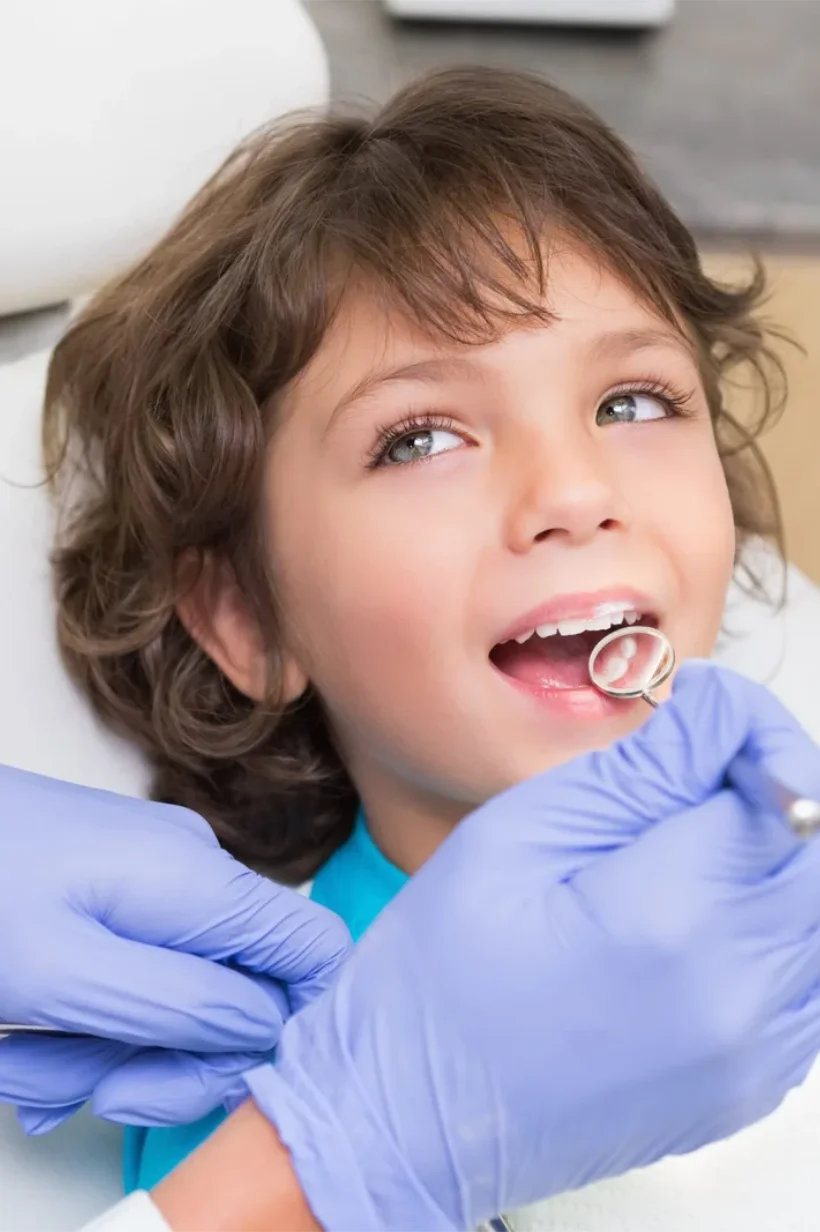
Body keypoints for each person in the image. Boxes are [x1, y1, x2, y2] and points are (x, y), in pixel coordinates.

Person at [2, 62, 817, 1229]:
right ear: (248, 617)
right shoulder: (273, 1073)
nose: (576, 491)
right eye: (421, 437)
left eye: (632, 403)